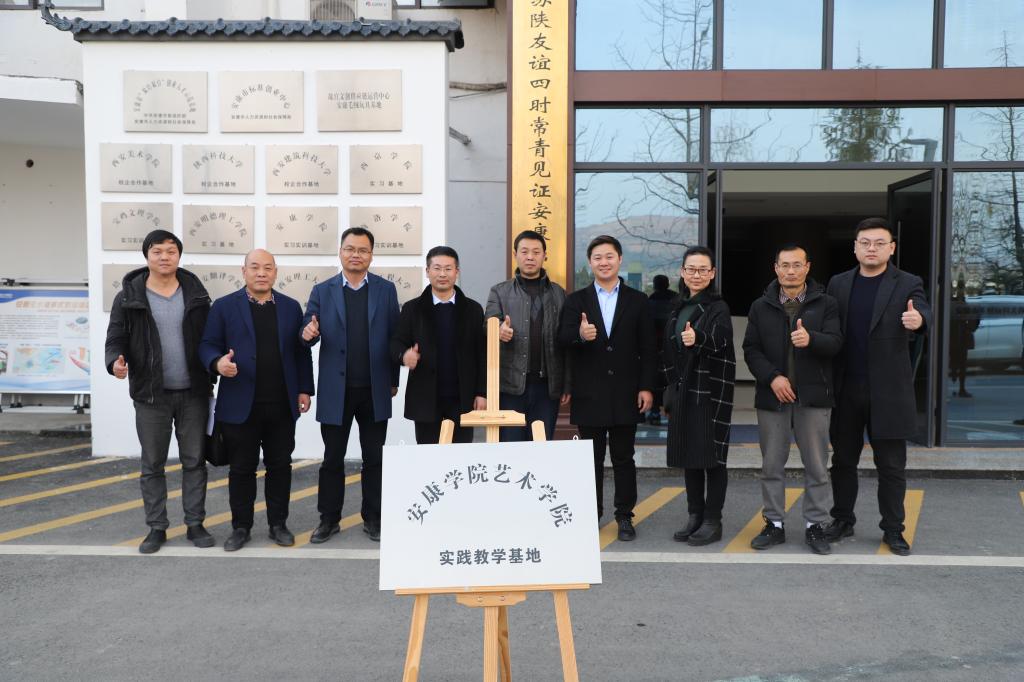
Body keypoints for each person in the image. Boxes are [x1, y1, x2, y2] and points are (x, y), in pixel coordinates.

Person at [825, 217, 932, 556]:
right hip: (846, 388)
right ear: (855, 247)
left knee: (891, 466)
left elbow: (924, 311)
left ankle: (893, 529)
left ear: (891, 248)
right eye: (866, 243)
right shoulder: (838, 283)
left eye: (879, 243)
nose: (872, 248)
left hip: (889, 391)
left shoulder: (908, 282)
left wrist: (919, 320)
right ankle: (842, 519)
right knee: (843, 461)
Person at [104, 229, 214, 554]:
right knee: (153, 463)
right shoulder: (128, 297)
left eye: (171, 251)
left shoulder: (196, 294)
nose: (164, 257)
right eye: (157, 251)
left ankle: (195, 523)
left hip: (193, 393)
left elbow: (210, 338)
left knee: (194, 461)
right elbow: (115, 337)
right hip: (151, 395)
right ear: (147, 256)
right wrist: (115, 361)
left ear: (179, 255)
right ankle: (156, 527)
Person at [198, 249, 314, 551]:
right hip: (240, 404)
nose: (261, 273)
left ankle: (278, 524)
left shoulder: (290, 307)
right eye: (255, 267)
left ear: (275, 272)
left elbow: (301, 352)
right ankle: (241, 527)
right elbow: (207, 344)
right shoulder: (224, 307)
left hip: (281, 404)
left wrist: (304, 389)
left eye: (268, 268)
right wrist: (217, 363)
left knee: (280, 466)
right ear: (244, 271)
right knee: (241, 469)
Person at [742, 244, 843, 555]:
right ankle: (774, 523)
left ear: (807, 267)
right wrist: (773, 377)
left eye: (797, 264)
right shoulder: (760, 306)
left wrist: (812, 339)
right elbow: (751, 350)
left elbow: (836, 343)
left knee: (817, 466)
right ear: (776, 268)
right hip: (773, 397)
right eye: (784, 265)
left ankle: (815, 525)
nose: (790, 271)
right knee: (772, 465)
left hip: (813, 398)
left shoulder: (826, 304)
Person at [302, 227, 400, 544]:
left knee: (375, 458)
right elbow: (307, 328)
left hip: (374, 389)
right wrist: (308, 333)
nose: (356, 255)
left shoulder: (386, 290)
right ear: (340, 252)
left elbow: (394, 336)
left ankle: (374, 518)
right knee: (332, 458)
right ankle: (328, 519)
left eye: (362, 250)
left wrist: (393, 380)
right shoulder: (323, 290)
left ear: (371, 254)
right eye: (350, 249)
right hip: (336, 390)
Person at [558, 235, 655, 542]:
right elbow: (562, 339)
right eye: (598, 257)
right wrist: (580, 335)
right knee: (592, 459)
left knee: (624, 457)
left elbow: (648, 348)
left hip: (627, 391)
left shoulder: (638, 300)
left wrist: (647, 387)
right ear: (590, 262)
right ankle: (592, 514)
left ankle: (624, 516)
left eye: (609, 256)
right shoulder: (576, 300)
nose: (604, 262)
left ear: (619, 259)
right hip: (590, 392)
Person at [662, 246, 735, 546]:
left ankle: (713, 520)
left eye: (703, 269)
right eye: (691, 269)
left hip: (710, 392)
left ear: (712, 273)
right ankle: (695, 515)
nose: (697, 275)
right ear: (682, 272)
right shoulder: (677, 308)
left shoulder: (718, 307)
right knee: (689, 456)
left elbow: (721, 340)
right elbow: (668, 351)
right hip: (684, 391)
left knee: (713, 459)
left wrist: (698, 338)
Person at [390, 246, 486, 444]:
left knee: (461, 455)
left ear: (457, 272)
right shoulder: (412, 308)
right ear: (427, 271)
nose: (442, 274)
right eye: (437, 268)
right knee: (428, 455)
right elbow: (396, 342)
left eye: (448, 268)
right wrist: (404, 355)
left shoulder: (473, 310)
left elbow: (482, 355)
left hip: (463, 397)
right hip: (426, 397)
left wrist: (481, 393)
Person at [484, 229, 570, 441]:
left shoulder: (559, 293)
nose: (530, 257)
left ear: (545, 256)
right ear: (515, 255)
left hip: (547, 388)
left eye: (536, 252)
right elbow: (488, 324)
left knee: (541, 445)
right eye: (524, 251)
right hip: (510, 387)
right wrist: (498, 330)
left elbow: (566, 342)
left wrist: (566, 384)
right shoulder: (499, 292)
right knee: (511, 446)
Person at [647, 274, 676, 424]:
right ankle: (673, 411)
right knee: (671, 379)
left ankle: (654, 412)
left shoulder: (651, 300)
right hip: (673, 345)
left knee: (655, 379)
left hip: (654, 345)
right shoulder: (676, 299)